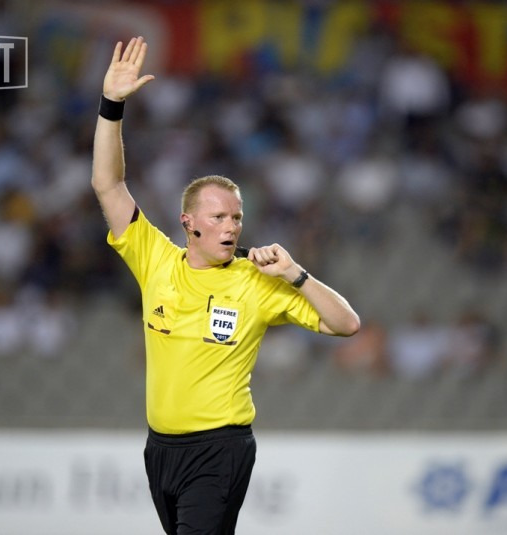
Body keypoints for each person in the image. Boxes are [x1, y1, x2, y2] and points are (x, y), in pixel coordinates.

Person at [92, 37, 360, 535]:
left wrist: (296, 274)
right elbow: (109, 185)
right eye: (218, 217)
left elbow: (346, 323)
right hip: (160, 449)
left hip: (220, 447)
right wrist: (111, 105)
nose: (231, 226)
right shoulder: (155, 259)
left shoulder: (257, 280)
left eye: (236, 217)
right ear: (188, 222)